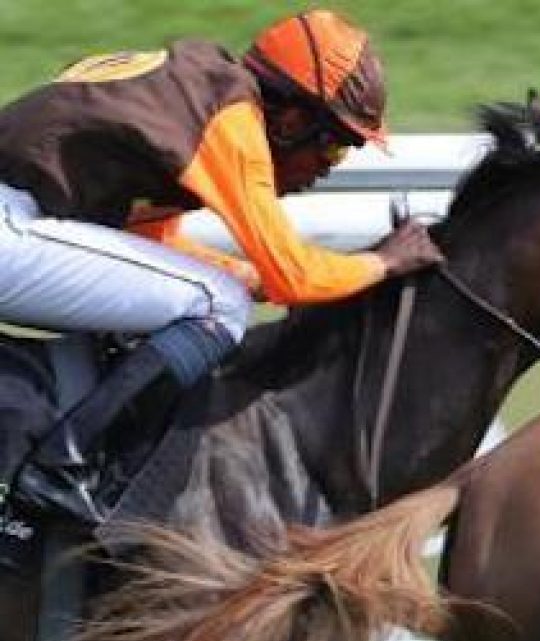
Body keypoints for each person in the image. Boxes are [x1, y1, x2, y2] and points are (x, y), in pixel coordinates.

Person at [0, 9, 443, 526]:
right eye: (336, 145)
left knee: (201, 298)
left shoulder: (199, 94)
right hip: (12, 225)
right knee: (219, 303)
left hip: (20, 221)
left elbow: (150, 246)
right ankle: (60, 466)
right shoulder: (231, 119)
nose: (327, 168)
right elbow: (294, 276)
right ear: (293, 120)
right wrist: (384, 262)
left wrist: (249, 277)